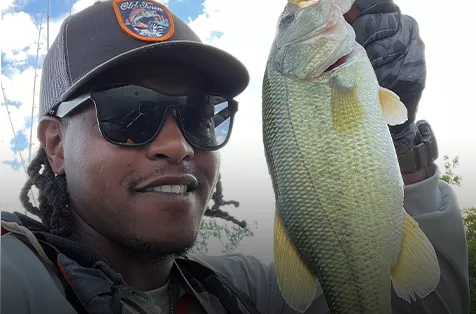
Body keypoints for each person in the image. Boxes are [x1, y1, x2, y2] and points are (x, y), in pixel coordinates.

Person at [0, 0, 469, 313]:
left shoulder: (246, 292)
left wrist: (400, 143)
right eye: (130, 112)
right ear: (56, 145)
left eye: (201, 114)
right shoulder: (17, 279)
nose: (178, 144)